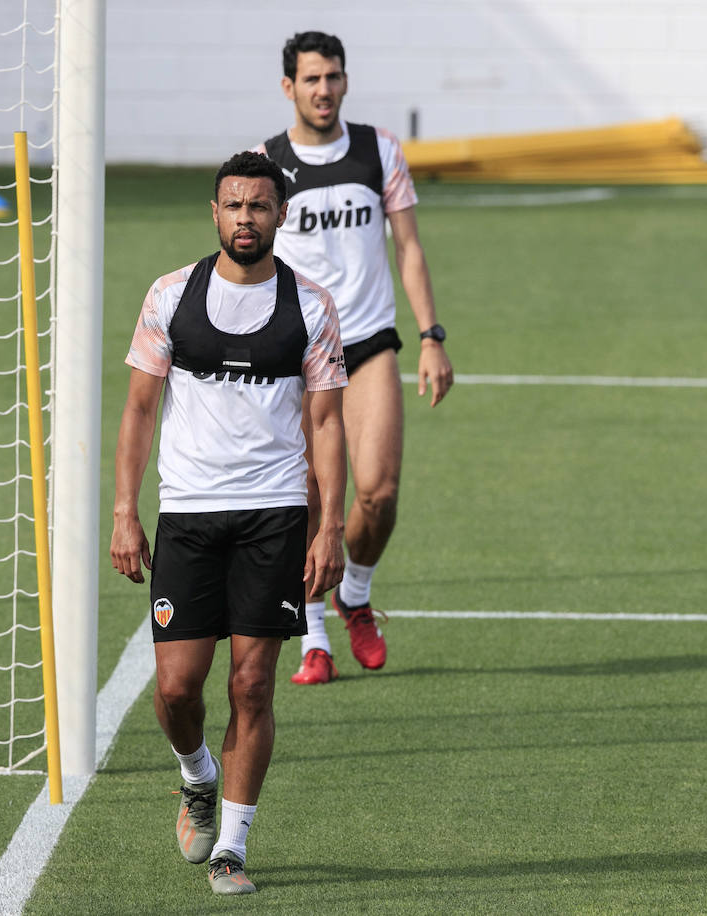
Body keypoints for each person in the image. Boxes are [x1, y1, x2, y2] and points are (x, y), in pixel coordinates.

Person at [110, 150, 348, 895]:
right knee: (178, 689)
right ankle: (196, 774)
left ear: (279, 214)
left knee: (252, 685)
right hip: (186, 515)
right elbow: (140, 409)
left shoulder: (310, 305)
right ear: (214, 213)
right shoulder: (170, 296)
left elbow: (328, 422)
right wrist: (125, 511)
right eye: (233, 205)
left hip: (272, 515)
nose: (246, 217)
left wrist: (329, 525)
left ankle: (233, 848)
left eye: (259, 205)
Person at [258, 31, 455, 686]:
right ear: (289, 86)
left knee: (379, 491)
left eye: (333, 77)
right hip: (299, 352)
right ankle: (314, 638)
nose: (324, 89)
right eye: (311, 79)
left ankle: (358, 593)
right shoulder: (269, 164)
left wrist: (432, 336)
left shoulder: (378, 151)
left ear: (346, 81)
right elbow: (250, 262)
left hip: (370, 342)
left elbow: (410, 250)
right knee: (312, 499)